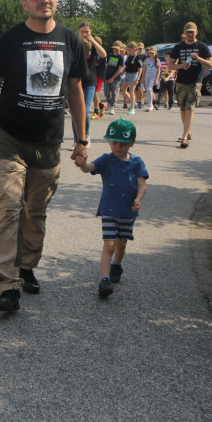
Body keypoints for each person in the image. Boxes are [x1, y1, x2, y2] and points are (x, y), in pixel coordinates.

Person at [0, 0, 89, 313]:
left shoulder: (71, 41)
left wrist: (82, 138)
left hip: (49, 141)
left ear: (56, 0)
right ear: (25, 3)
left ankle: (26, 267)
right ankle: (7, 286)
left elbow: (76, 92)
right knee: (9, 206)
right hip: (10, 137)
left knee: (35, 211)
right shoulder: (10, 40)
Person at [74, 118, 148, 298]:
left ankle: (117, 265)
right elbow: (90, 168)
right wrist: (82, 164)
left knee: (121, 244)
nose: (118, 147)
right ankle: (104, 280)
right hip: (109, 209)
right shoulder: (106, 159)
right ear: (109, 141)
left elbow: (142, 185)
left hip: (128, 210)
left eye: (123, 144)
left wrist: (138, 199)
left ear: (132, 143)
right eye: (114, 142)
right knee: (109, 244)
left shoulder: (137, 162)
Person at [167, 22, 212, 148]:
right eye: (188, 31)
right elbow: (170, 65)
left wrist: (199, 59)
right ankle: (188, 131)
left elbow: (211, 64)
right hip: (181, 82)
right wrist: (180, 66)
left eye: (192, 31)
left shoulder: (202, 46)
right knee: (182, 109)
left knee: (190, 109)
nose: (190, 34)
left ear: (196, 32)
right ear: (184, 33)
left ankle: (184, 137)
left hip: (195, 82)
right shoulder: (178, 47)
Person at [72, 22, 106, 145]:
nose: (85, 34)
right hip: (75, 81)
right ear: (78, 32)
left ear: (91, 32)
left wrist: (93, 40)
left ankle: (85, 136)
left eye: (87, 31)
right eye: (83, 32)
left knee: (84, 110)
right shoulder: (74, 43)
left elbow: (103, 54)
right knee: (75, 110)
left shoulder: (93, 45)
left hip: (89, 81)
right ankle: (76, 139)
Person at [118, 40, 142, 115]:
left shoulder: (138, 58)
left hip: (134, 75)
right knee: (123, 90)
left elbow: (140, 68)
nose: (128, 50)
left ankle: (132, 108)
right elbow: (126, 66)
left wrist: (138, 78)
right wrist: (122, 73)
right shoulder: (129, 57)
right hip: (127, 74)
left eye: (130, 48)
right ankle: (133, 102)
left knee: (131, 91)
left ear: (134, 49)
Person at [103, 42, 124, 115]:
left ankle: (112, 107)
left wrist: (112, 78)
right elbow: (107, 65)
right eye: (114, 48)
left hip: (115, 78)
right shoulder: (110, 56)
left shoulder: (120, 57)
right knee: (106, 92)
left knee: (114, 93)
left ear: (120, 49)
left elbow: (119, 69)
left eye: (116, 48)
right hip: (107, 77)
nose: (115, 50)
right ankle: (109, 103)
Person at [142, 46, 160, 111]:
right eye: (150, 53)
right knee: (147, 90)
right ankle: (149, 104)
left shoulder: (157, 60)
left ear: (155, 53)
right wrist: (142, 77)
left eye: (152, 53)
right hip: (147, 77)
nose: (151, 54)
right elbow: (144, 69)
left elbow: (159, 70)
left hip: (153, 77)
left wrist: (157, 79)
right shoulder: (146, 60)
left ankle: (150, 104)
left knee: (149, 89)